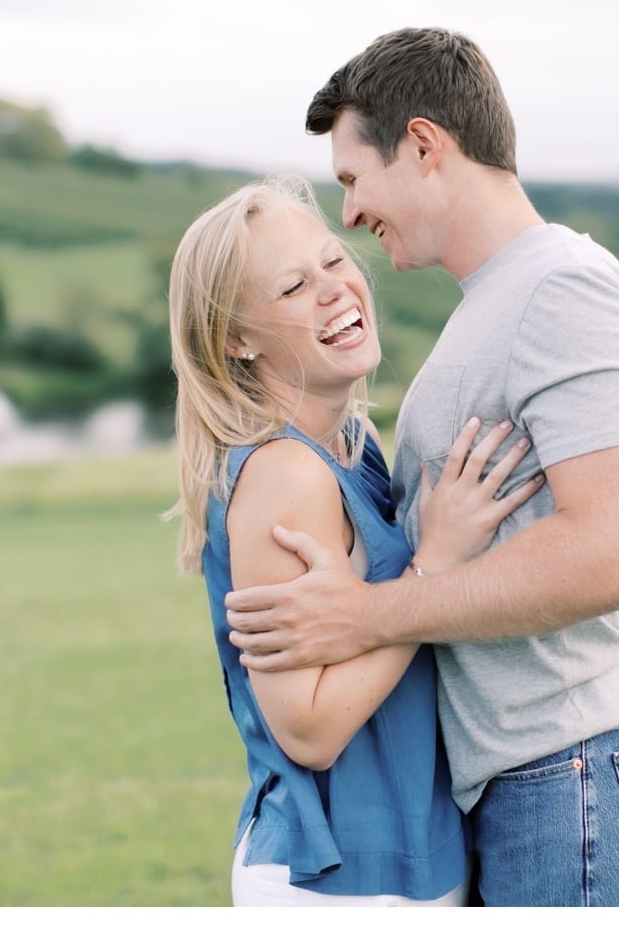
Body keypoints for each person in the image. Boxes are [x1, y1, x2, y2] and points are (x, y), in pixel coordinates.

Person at [224, 28, 619, 907]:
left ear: (426, 147)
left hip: (571, 767)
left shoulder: (564, 289)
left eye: (355, 178)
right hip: (522, 781)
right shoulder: (495, 303)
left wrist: (365, 613)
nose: (352, 213)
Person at [166, 173, 543, 906]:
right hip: (338, 877)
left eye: (333, 262)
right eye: (292, 287)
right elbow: (307, 729)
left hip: (414, 856)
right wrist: (435, 565)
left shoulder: (356, 442)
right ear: (236, 339)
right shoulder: (285, 474)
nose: (335, 289)